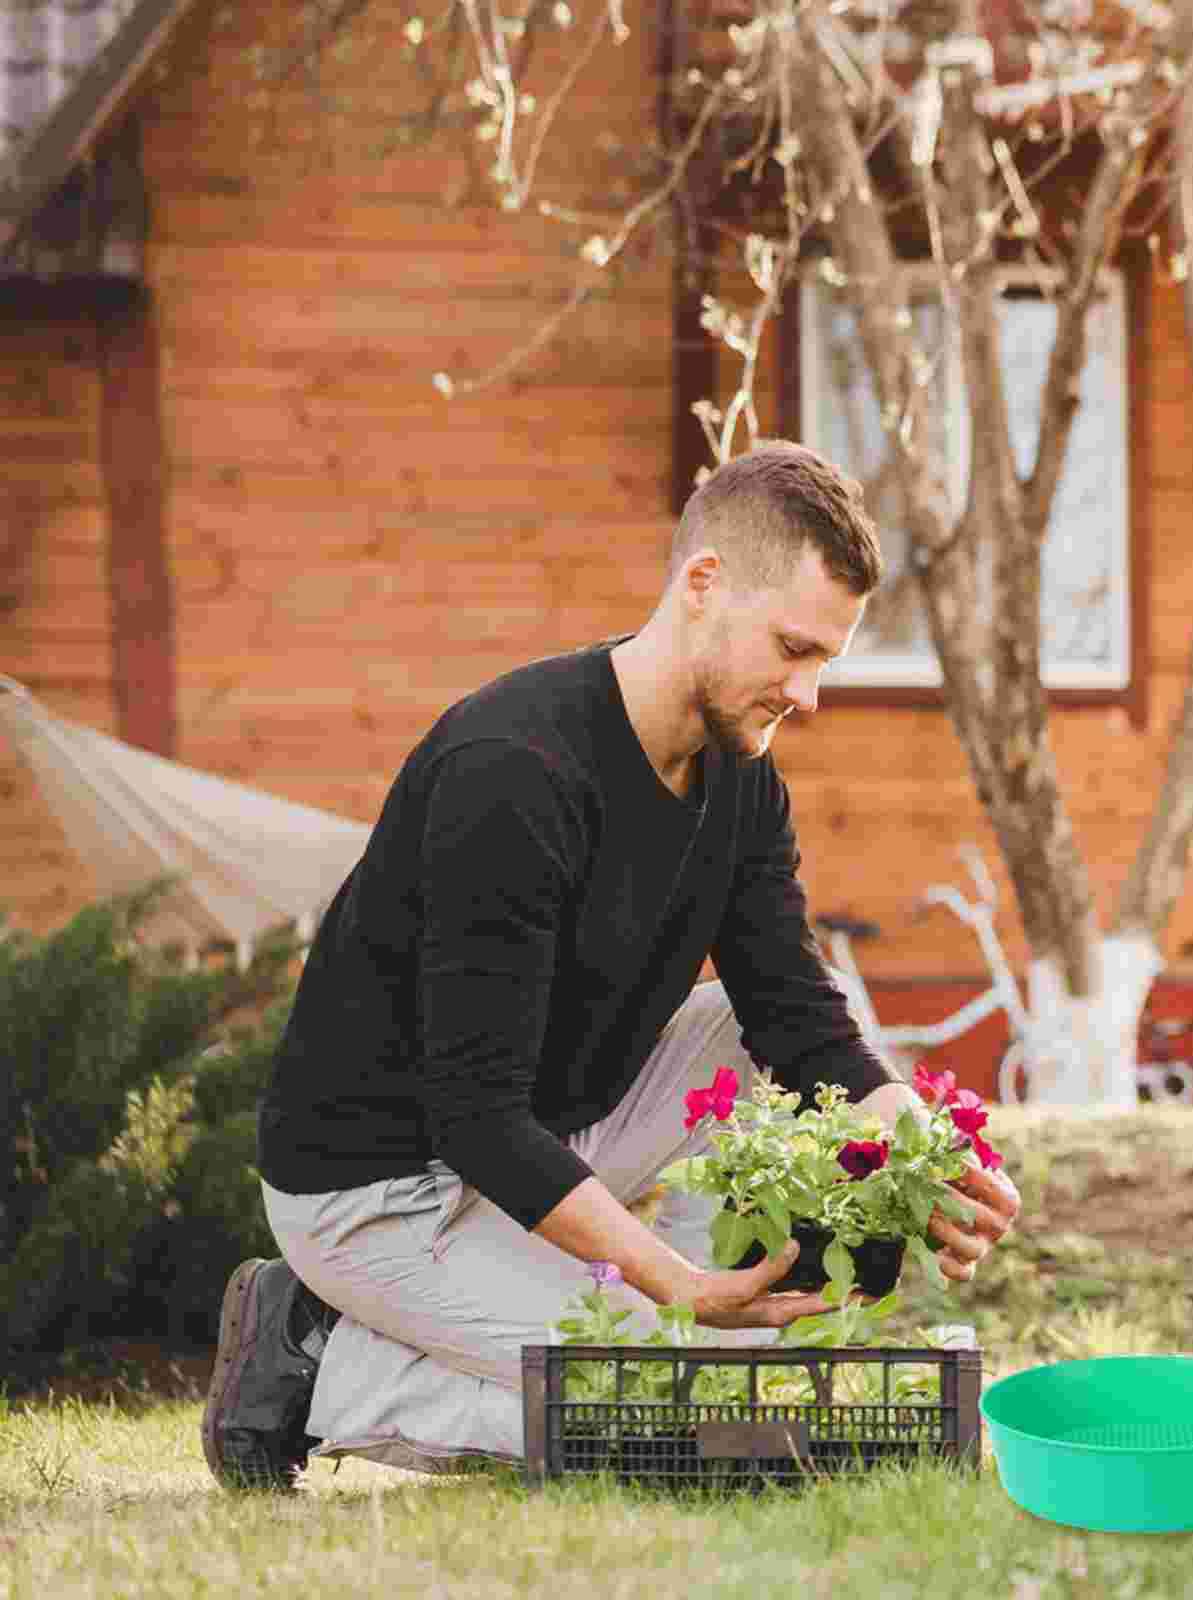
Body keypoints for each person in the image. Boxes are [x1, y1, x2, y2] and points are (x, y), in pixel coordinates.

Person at [201, 441, 1022, 1489]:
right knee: (675, 1404)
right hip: (379, 1184)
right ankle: (312, 1351)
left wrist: (911, 1133)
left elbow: (792, 1011)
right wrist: (673, 1283)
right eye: (793, 648)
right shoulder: (515, 772)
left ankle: (568, 1307)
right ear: (702, 584)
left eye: (826, 660)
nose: (809, 693)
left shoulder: (741, 778)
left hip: (534, 1135)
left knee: (745, 1038)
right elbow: (474, 1115)